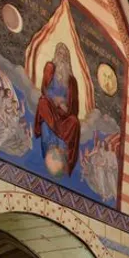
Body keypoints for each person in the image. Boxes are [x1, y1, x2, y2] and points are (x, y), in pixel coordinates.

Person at [33, 42, 82, 175]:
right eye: (59, 53)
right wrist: (55, 100)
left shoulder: (72, 81)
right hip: (51, 105)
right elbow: (44, 89)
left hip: (64, 114)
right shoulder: (50, 68)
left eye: (64, 55)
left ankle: (62, 152)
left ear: (67, 59)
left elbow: (75, 108)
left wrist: (65, 106)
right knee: (43, 103)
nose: (61, 57)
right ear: (56, 55)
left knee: (75, 122)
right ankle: (50, 147)